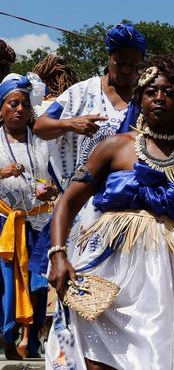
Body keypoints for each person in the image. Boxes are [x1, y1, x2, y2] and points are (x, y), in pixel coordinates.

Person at [45, 55, 174, 369]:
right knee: (90, 348)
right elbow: (67, 202)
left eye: (169, 92)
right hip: (106, 269)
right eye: (151, 91)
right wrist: (58, 255)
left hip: (166, 276)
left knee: (155, 355)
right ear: (140, 97)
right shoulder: (113, 147)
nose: (159, 98)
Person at [34, 24, 147, 186]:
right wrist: (69, 124)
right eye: (121, 63)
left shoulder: (143, 100)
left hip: (124, 197)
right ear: (109, 58)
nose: (127, 70)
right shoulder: (81, 92)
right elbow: (40, 127)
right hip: (79, 200)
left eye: (133, 65)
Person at [0, 76, 55, 359]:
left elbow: (53, 179)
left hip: (38, 221)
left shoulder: (41, 142)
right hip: (4, 223)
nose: (19, 109)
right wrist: (3, 173)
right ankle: (8, 338)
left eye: (23, 104)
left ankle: (31, 339)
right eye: (12, 103)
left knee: (37, 284)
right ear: (1, 109)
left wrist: (48, 189)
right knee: (8, 284)